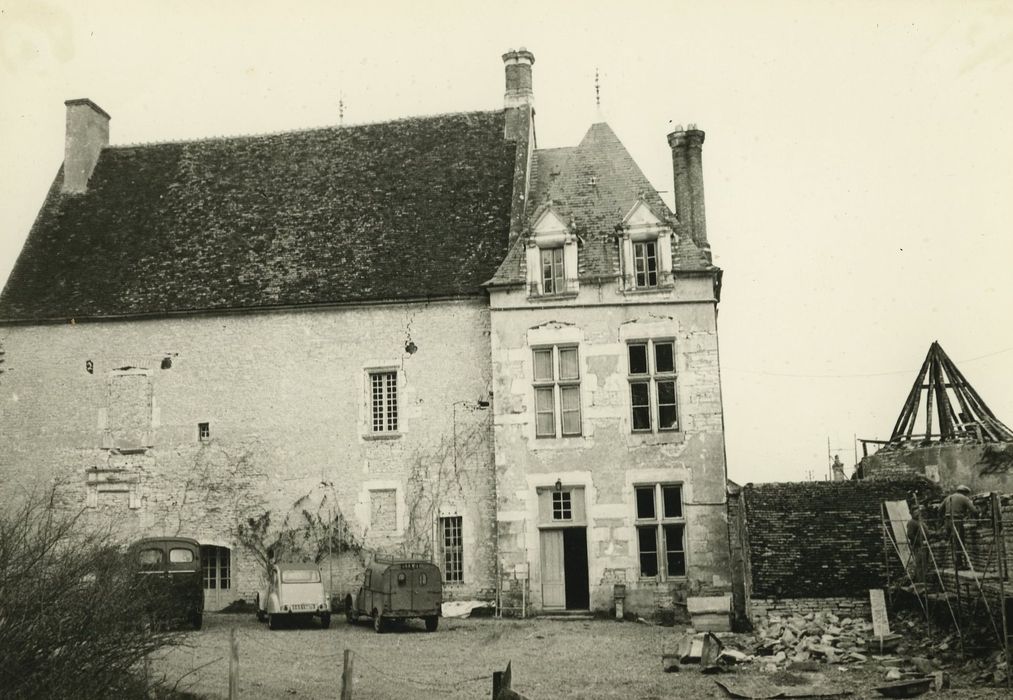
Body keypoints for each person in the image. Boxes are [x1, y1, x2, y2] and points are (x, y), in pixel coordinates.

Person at [941, 485, 978, 570]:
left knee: (953, 542)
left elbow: (939, 509)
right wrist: (977, 519)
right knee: (959, 541)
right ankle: (959, 565)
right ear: (964, 492)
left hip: (947, 521)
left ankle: (956, 563)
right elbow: (974, 510)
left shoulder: (948, 497)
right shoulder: (964, 498)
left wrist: (944, 518)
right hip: (957, 521)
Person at [905, 505, 929, 585]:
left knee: (924, 564)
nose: (918, 513)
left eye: (919, 511)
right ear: (912, 513)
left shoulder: (920, 521)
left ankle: (923, 580)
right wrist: (920, 542)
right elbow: (910, 535)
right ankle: (920, 582)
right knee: (920, 564)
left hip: (924, 545)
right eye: (915, 511)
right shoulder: (912, 522)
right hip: (918, 546)